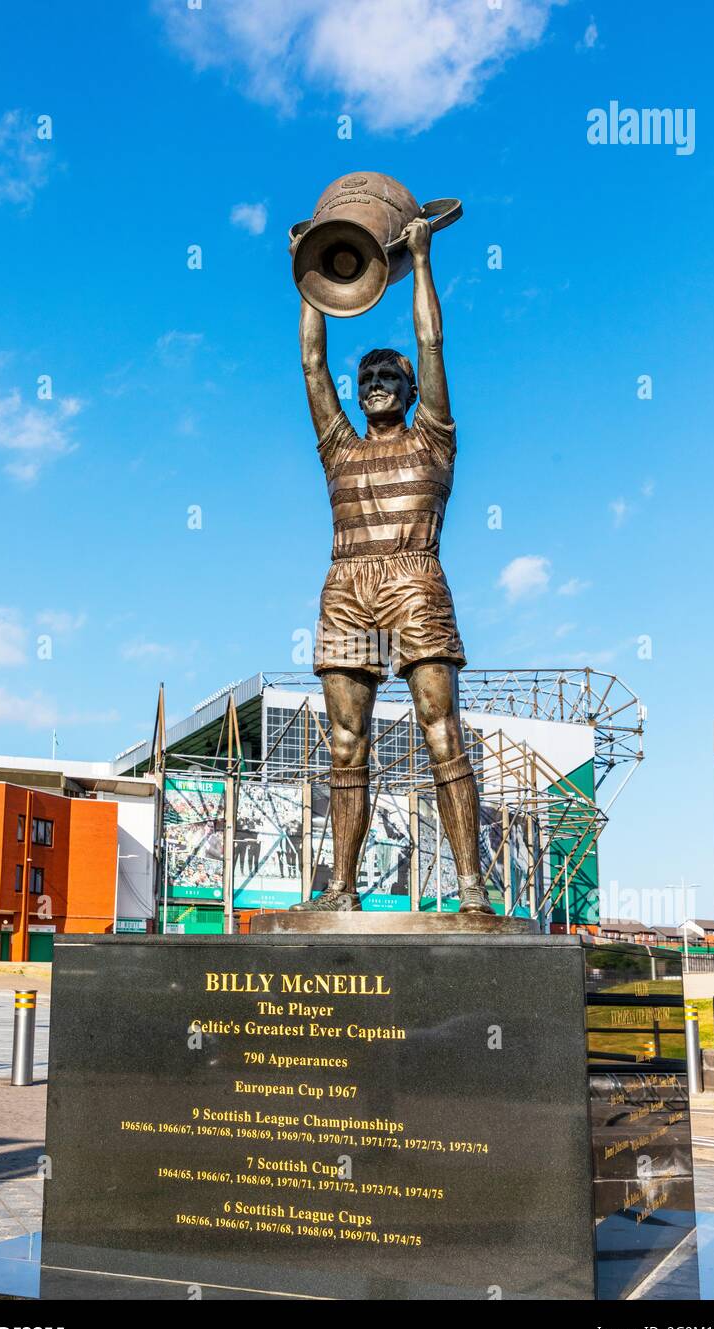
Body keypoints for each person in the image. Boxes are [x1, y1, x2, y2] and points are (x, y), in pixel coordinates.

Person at [291, 218, 492, 914]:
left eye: (388, 375)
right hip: (346, 585)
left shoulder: (434, 439)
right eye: (367, 376)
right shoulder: (338, 448)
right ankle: (341, 890)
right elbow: (314, 364)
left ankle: (470, 889)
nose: (374, 382)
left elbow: (431, 342)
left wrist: (424, 259)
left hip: (414, 582)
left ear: (409, 391)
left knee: (443, 733)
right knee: (345, 745)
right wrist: (310, 274)